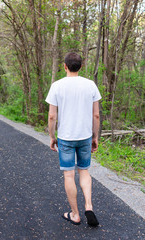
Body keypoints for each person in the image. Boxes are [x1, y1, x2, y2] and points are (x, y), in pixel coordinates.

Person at [45, 52, 101, 226]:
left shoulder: (57, 86)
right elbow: (96, 115)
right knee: (84, 171)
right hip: (85, 136)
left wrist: (52, 137)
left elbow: (52, 116)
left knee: (69, 175)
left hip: (66, 138)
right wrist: (95, 136)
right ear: (81, 67)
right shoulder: (90, 85)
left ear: (65, 66)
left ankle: (75, 214)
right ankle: (89, 206)